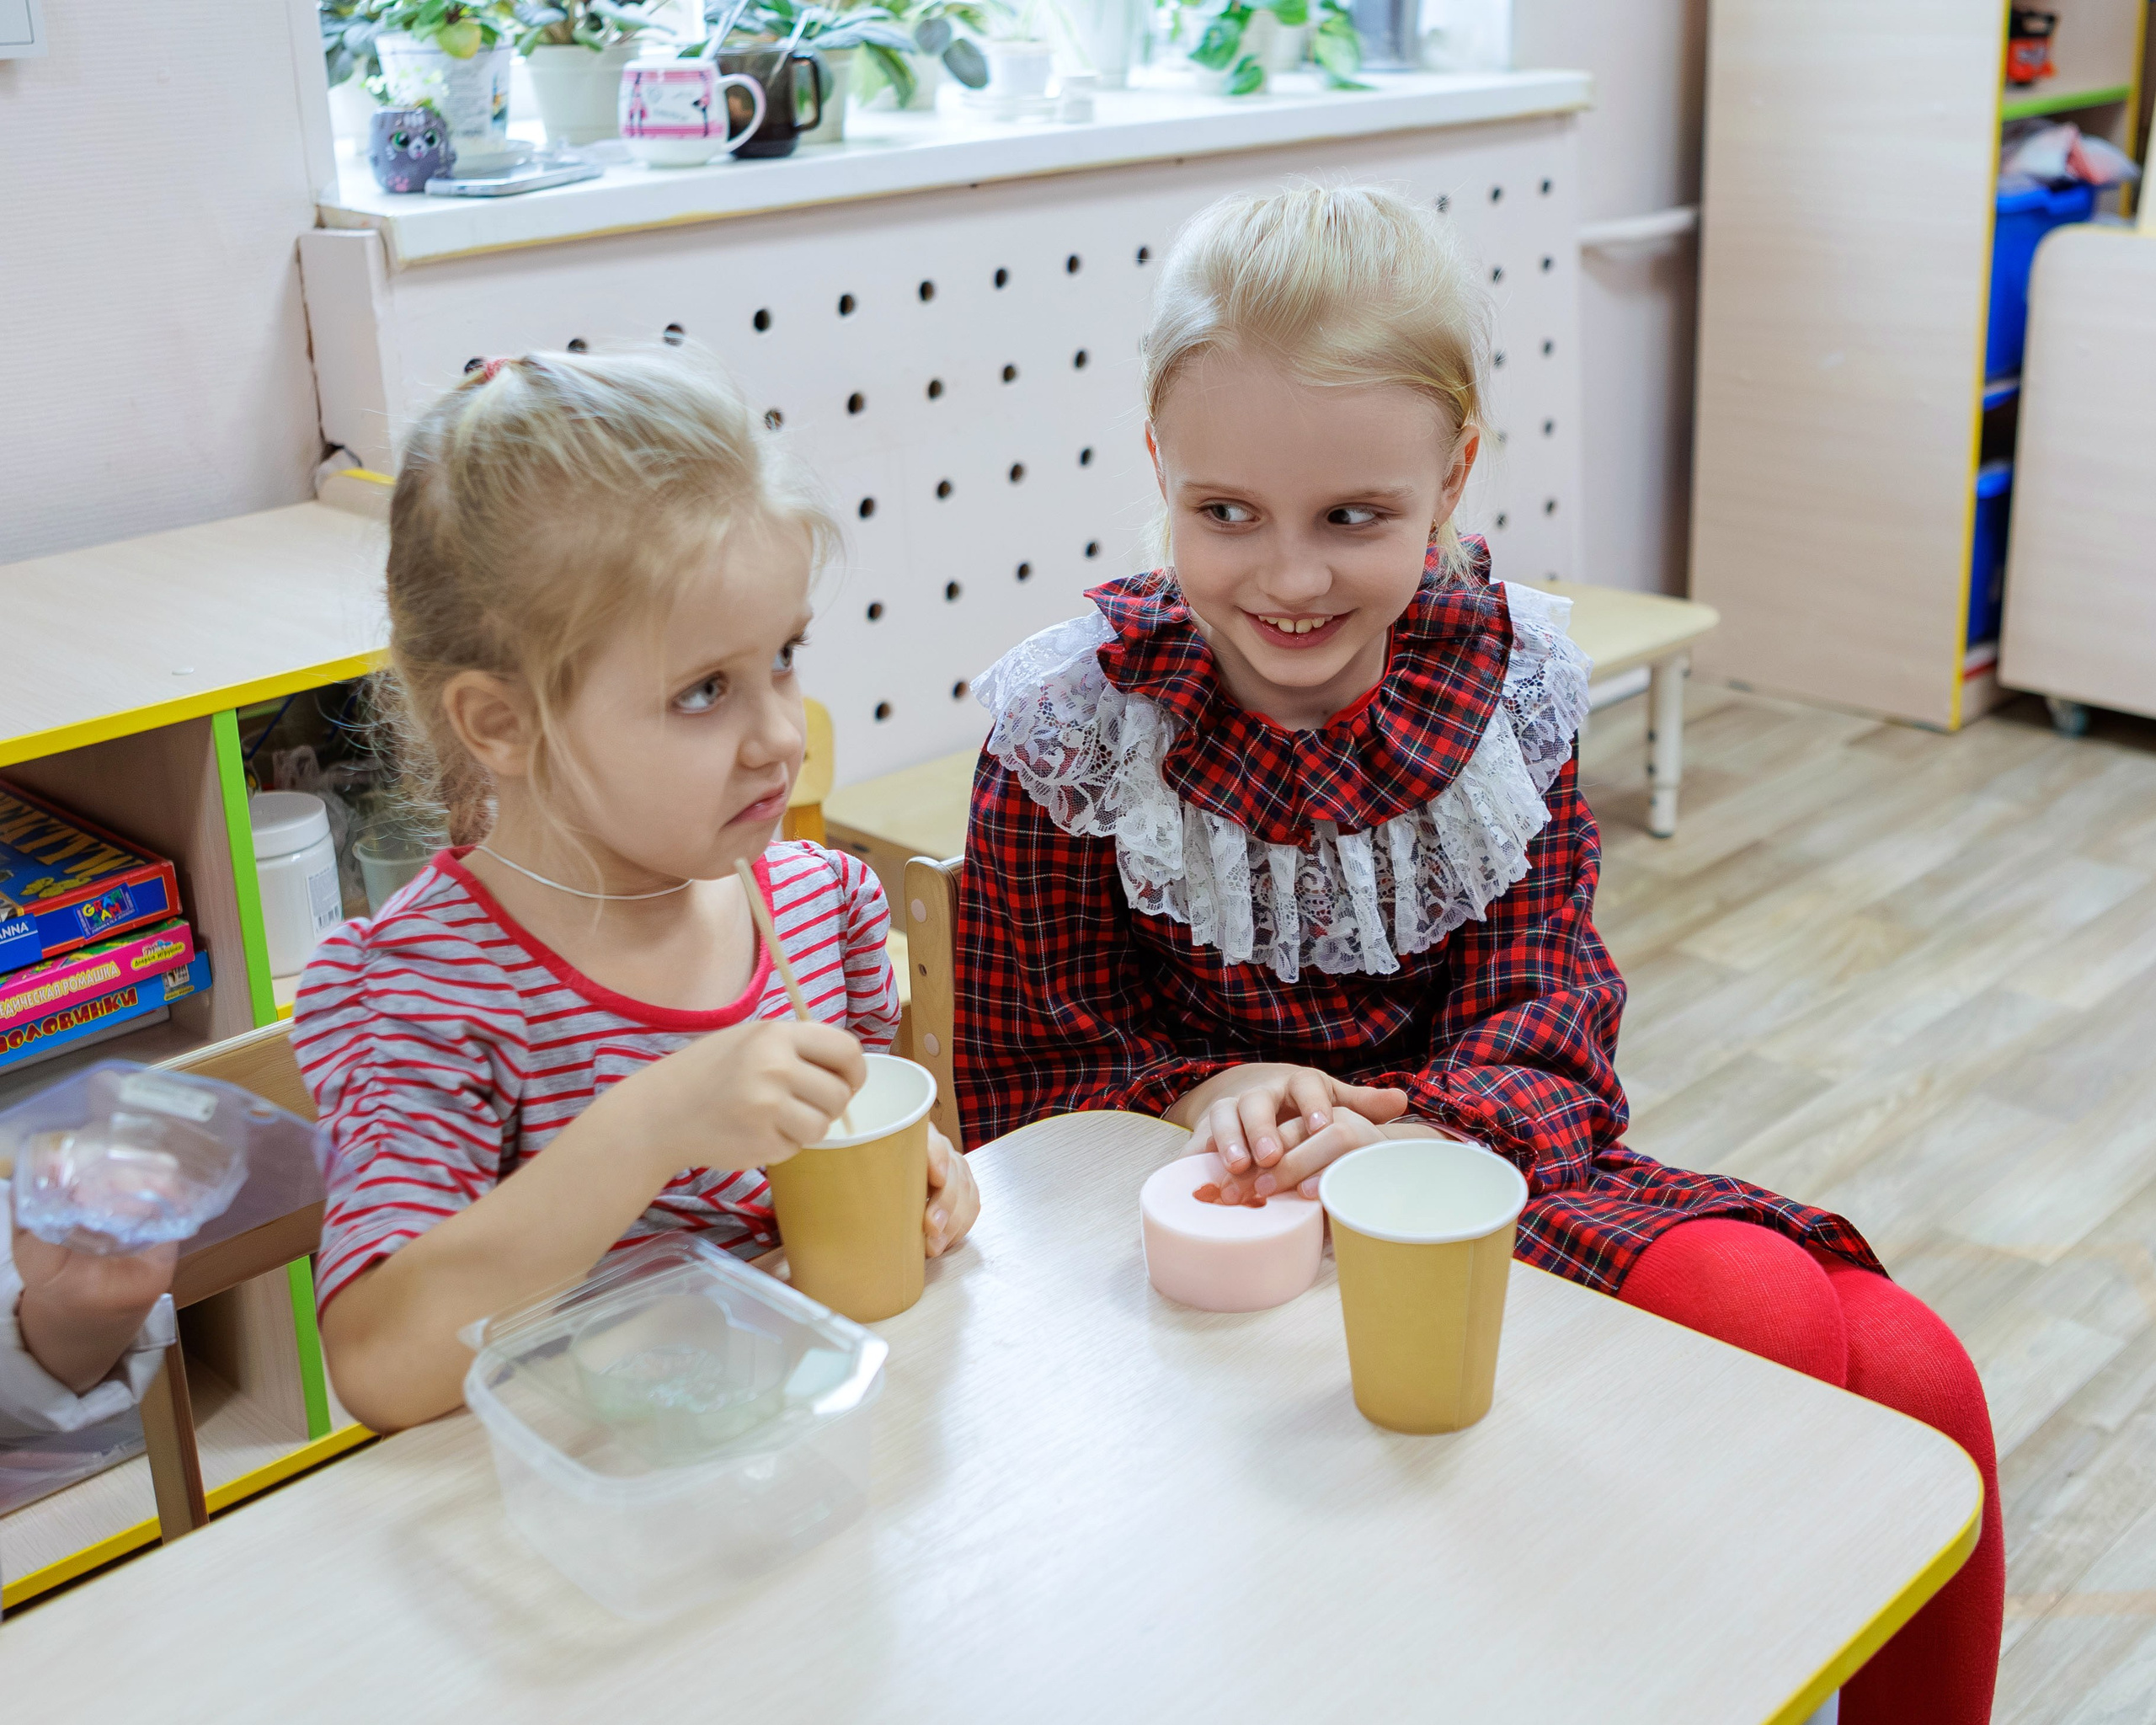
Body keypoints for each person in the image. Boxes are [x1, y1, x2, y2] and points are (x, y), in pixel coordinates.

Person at [956, 184, 2000, 1725]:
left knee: (1920, 1378)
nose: (1289, 578)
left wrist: (1400, 1121)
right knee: (1772, 1328)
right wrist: (1212, 1091)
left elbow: (1553, 1014)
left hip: (1467, 1173)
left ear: (1450, 477)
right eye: (1226, 511)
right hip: (1205, 1252)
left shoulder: (1502, 693)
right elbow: (1026, 1090)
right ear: (1161, 464)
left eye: (1354, 517)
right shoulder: (1074, 729)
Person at [295, 351, 979, 1434]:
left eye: (785, 657)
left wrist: (921, 1175)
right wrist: (652, 1122)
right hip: (583, 1519)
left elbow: (837, 1169)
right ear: (502, 725)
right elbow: (379, 1362)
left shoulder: (816, 904)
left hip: (804, 1462)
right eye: (703, 690)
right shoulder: (423, 994)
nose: (781, 733)